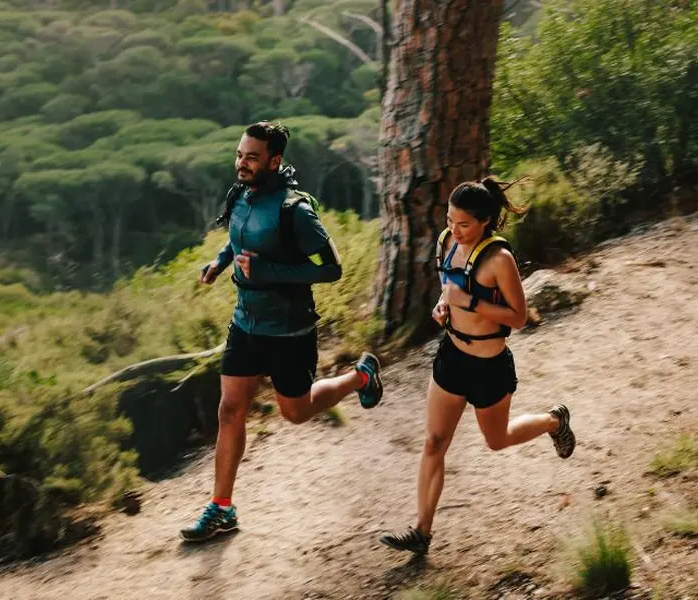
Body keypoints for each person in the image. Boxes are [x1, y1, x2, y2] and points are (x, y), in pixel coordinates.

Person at [180, 121, 384, 542]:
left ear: (275, 160)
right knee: (230, 410)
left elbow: (331, 268)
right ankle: (221, 508)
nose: (242, 163)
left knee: (294, 411)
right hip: (246, 324)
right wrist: (220, 263)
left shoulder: (296, 210)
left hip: (290, 331)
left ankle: (360, 376)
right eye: (240, 155)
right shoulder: (241, 195)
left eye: (252, 157)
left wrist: (268, 270)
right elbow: (239, 239)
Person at [378, 177, 576, 555]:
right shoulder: (447, 242)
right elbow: (450, 287)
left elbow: (518, 316)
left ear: (485, 221)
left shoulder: (499, 259)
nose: (455, 229)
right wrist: (444, 305)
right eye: (450, 220)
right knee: (434, 442)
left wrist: (468, 302)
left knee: (496, 440)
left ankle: (555, 421)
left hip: (489, 366)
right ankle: (421, 531)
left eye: (463, 224)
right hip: (451, 356)